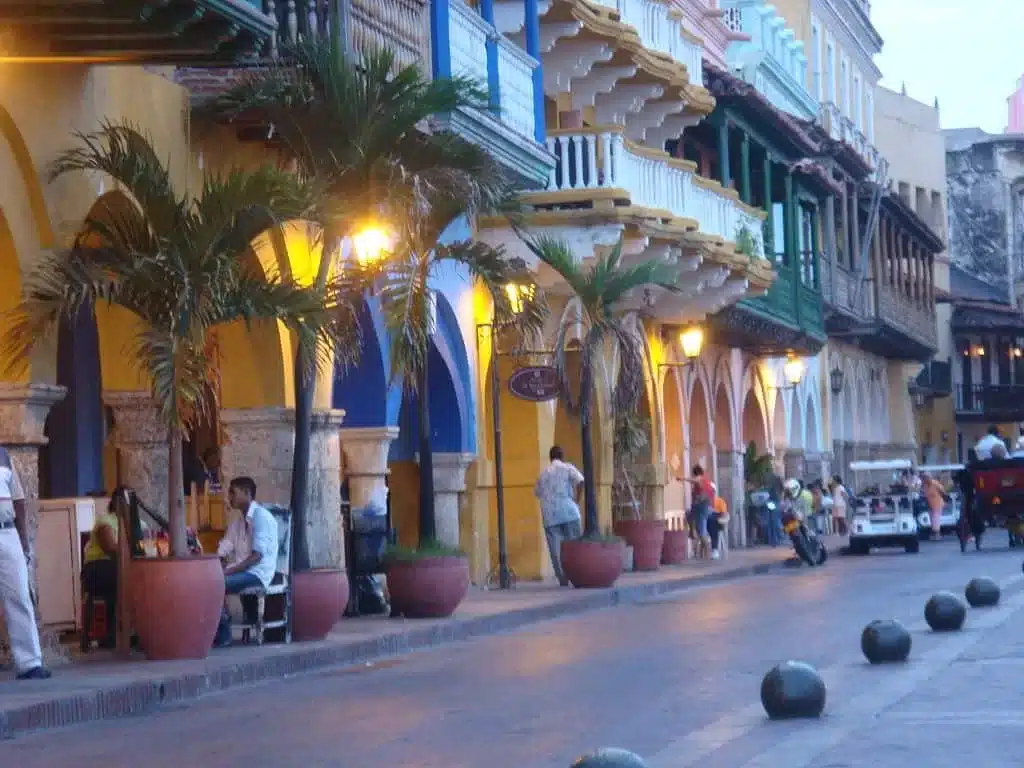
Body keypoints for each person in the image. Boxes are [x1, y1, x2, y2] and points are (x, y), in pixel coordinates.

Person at [0, 446, 50, 679]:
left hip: (7, 532)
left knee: (19, 594)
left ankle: (30, 662)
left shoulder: (3, 456)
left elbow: (18, 499)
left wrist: (23, 539)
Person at [214, 477, 279, 647]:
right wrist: (217, 561)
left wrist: (230, 570)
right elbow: (225, 546)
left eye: (233, 492)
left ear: (246, 493)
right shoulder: (238, 522)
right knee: (210, 580)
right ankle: (219, 630)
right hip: (243, 570)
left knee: (217, 584)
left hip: (257, 573)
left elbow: (257, 557)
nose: (229, 497)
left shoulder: (261, 517)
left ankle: (223, 634)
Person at [81, 487, 130, 648]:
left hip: (122, 566)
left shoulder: (138, 524)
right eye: (124, 500)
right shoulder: (105, 522)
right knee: (121, 576)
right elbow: (110, 548)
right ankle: (113, 633)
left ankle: (133, 631)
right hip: (98, 567)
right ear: (115, 502)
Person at [533, 446, 584, 587]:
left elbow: (537, 493)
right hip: (569, 512)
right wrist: (577, 500)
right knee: (574, 545)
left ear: (550, 458)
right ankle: (576, 574)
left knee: (555, 549)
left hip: (550, 515)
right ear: (562, 457)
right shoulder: (567, 468)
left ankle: (562, 578)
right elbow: (581, 481)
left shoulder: (543, 474)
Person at [686, 466, 715, 558]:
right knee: (699, 530)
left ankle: (707, 553)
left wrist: (682, 478)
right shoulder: (706, 482)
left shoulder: (700, 479)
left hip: (702, 508)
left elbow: (696, 480)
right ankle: (702, 554)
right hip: (704, 508)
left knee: (702, 532)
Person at [921, 472, 945, 540]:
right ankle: (934, 534)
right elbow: (925, 493)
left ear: (929, 477)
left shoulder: (935, 483)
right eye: (923, 478)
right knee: (932, 519)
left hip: (937, 503)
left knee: (935, 519)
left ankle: (937, 535)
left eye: (926, 478)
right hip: (930, 504)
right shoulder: (925, 485)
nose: (924, 479)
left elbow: (942, 490)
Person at [709, 489, 728, 560]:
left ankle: (715, 549)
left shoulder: (720, 501)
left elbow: (723, 513)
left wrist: (714, 513)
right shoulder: (705, 502)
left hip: (717, 521)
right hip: (707, 521)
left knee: (713, 523)